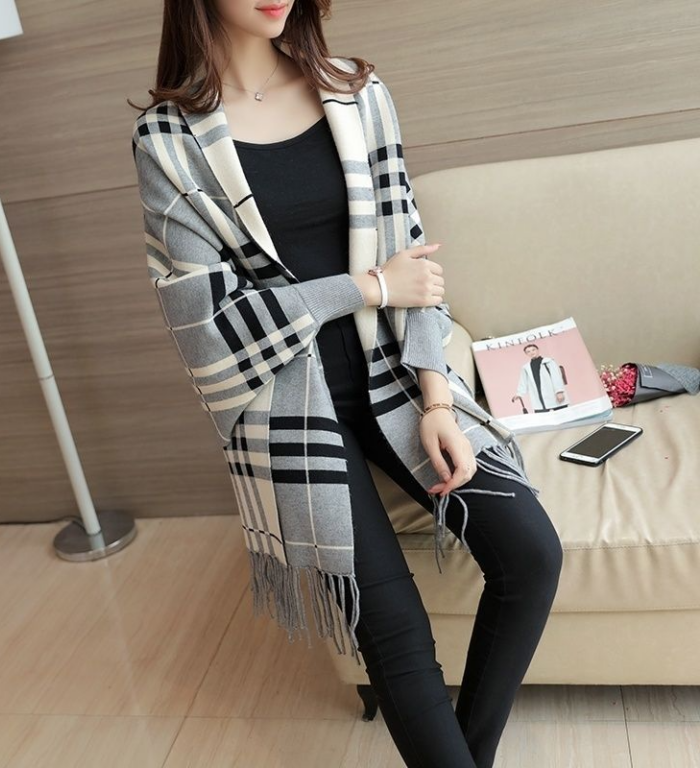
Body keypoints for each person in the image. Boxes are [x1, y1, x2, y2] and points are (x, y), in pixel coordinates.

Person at [130, 2, 564, 766]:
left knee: (531, 555)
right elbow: (206, 327)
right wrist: (366, 286)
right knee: (393, 627)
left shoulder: (357, 93)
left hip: (395, 375)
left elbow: (414, 266)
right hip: (282, 406)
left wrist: (438, 397)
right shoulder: (168, 140)